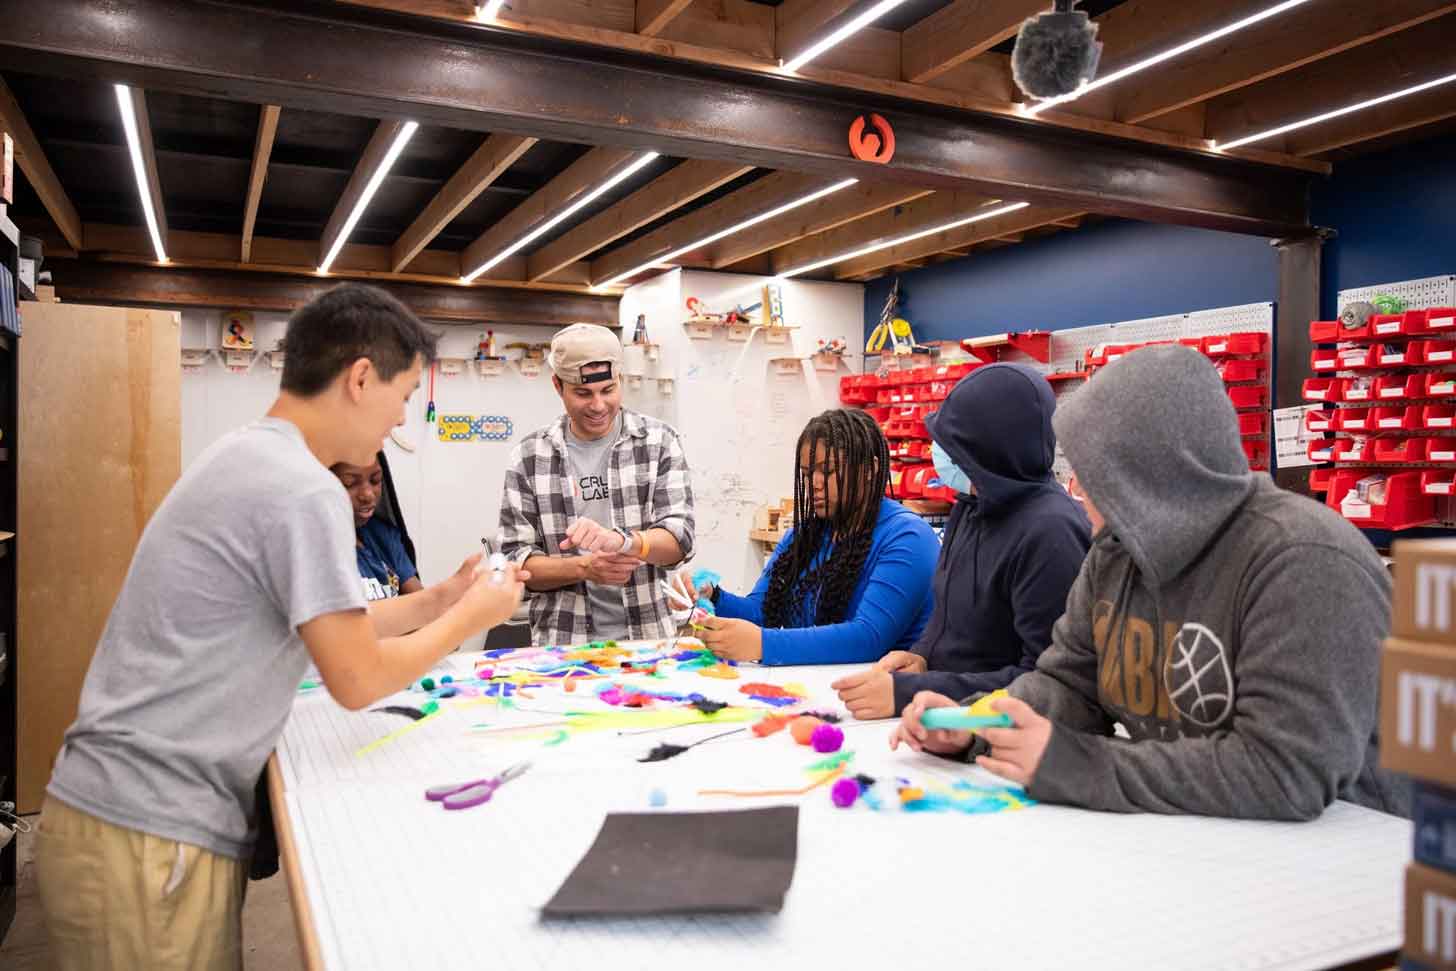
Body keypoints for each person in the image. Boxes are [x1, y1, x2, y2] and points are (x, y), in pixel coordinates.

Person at [36, 283, 526, 970]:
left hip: (126, 825)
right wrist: (475, 616)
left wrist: (443, 596)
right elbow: (356, 678)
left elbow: (329, 622)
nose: (399, 422)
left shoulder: (254, 453)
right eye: (404, 396)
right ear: (361, 378)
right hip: (147, 837)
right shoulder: (304, 488)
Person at [894, 344, 1410, 820]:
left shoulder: (1303, 561)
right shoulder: (1116, 552)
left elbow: (1284, 770)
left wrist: (1075, 765)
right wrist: (970, 727)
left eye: (1095, 472)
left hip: (1353, 849)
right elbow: (1067, 685)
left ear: (1148, 475)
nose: (1076, 489)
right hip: (1207, 843)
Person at [831, 363, 1090, 719]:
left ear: (992, 446)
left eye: (956, 446)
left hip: (996, 736)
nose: (942, 455)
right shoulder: (970, 505)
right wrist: (921, 657)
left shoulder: (1051, 533)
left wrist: (909, 692)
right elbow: (951, 620)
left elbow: (1047, 683)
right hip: (939, 720)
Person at [500, 323, 694, 645]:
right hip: (564, 646)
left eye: (608, 390)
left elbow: (679, 539)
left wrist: (623, 543)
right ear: (557, 386)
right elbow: (516, 563)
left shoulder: (659, 442)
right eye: (583, 393)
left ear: (620, 379)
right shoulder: (530, 457)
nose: (598, 406)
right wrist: (583, 568)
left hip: (647, 643)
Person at [697, 408, 938, 666]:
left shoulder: (908, 538)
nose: (815, 483)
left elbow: (868, 638)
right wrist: (712, 596)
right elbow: (761, 613)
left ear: (870, 469)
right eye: (807, 473)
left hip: (878, 696)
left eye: (828, 471)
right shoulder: (802, 538)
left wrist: (763, 644)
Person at [332, 455, 423, 601]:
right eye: (349, 483)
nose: (368, 495)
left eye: (375, 480)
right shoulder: (316, 551)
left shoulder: (382, 534)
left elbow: (422, 602)